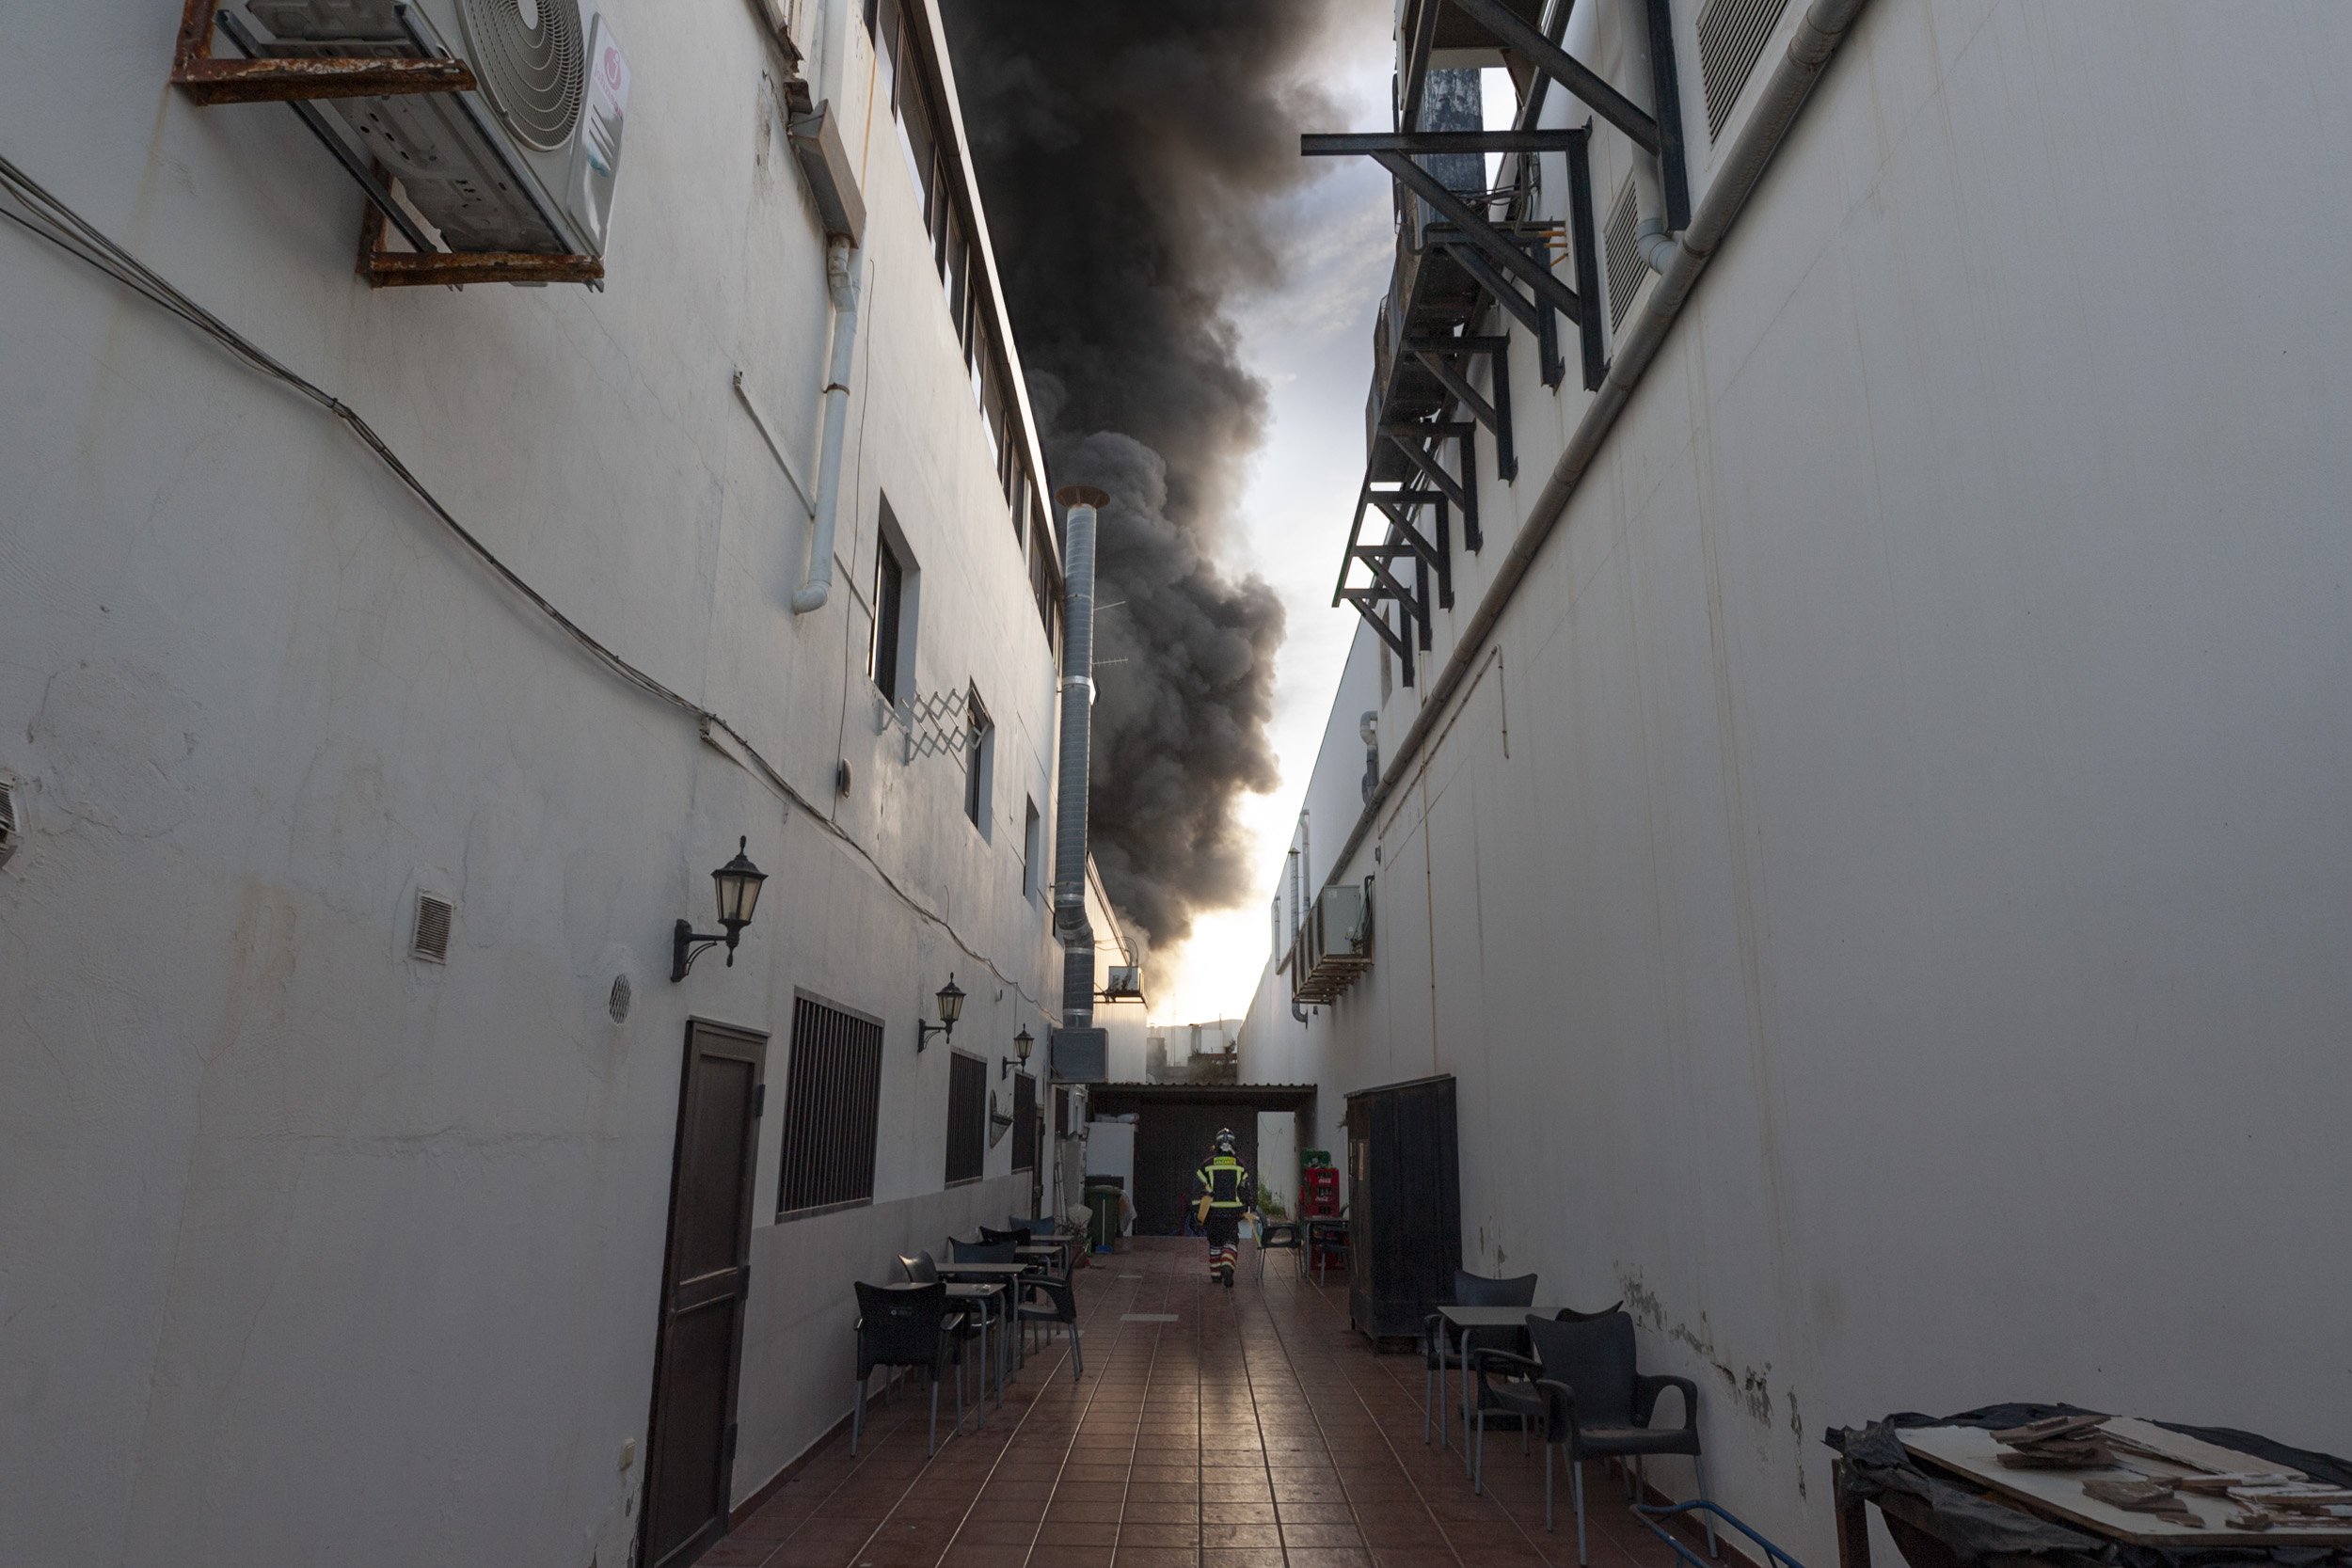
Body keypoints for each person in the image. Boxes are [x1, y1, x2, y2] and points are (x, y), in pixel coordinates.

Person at [1192, 1129, 1256, 1289]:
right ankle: (1227, 1266)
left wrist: (1198, 1212)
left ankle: (1215, 1276)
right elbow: (1245, 1190)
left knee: (1215, 1243)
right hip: (1233, 1213)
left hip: (1212, 1213)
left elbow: (1197, 1189)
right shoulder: (1240, 1165)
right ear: (1233, 1144)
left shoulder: (1207, 1165)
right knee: (1231, 1241)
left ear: (1217, 1144)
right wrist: (1247, 1206)